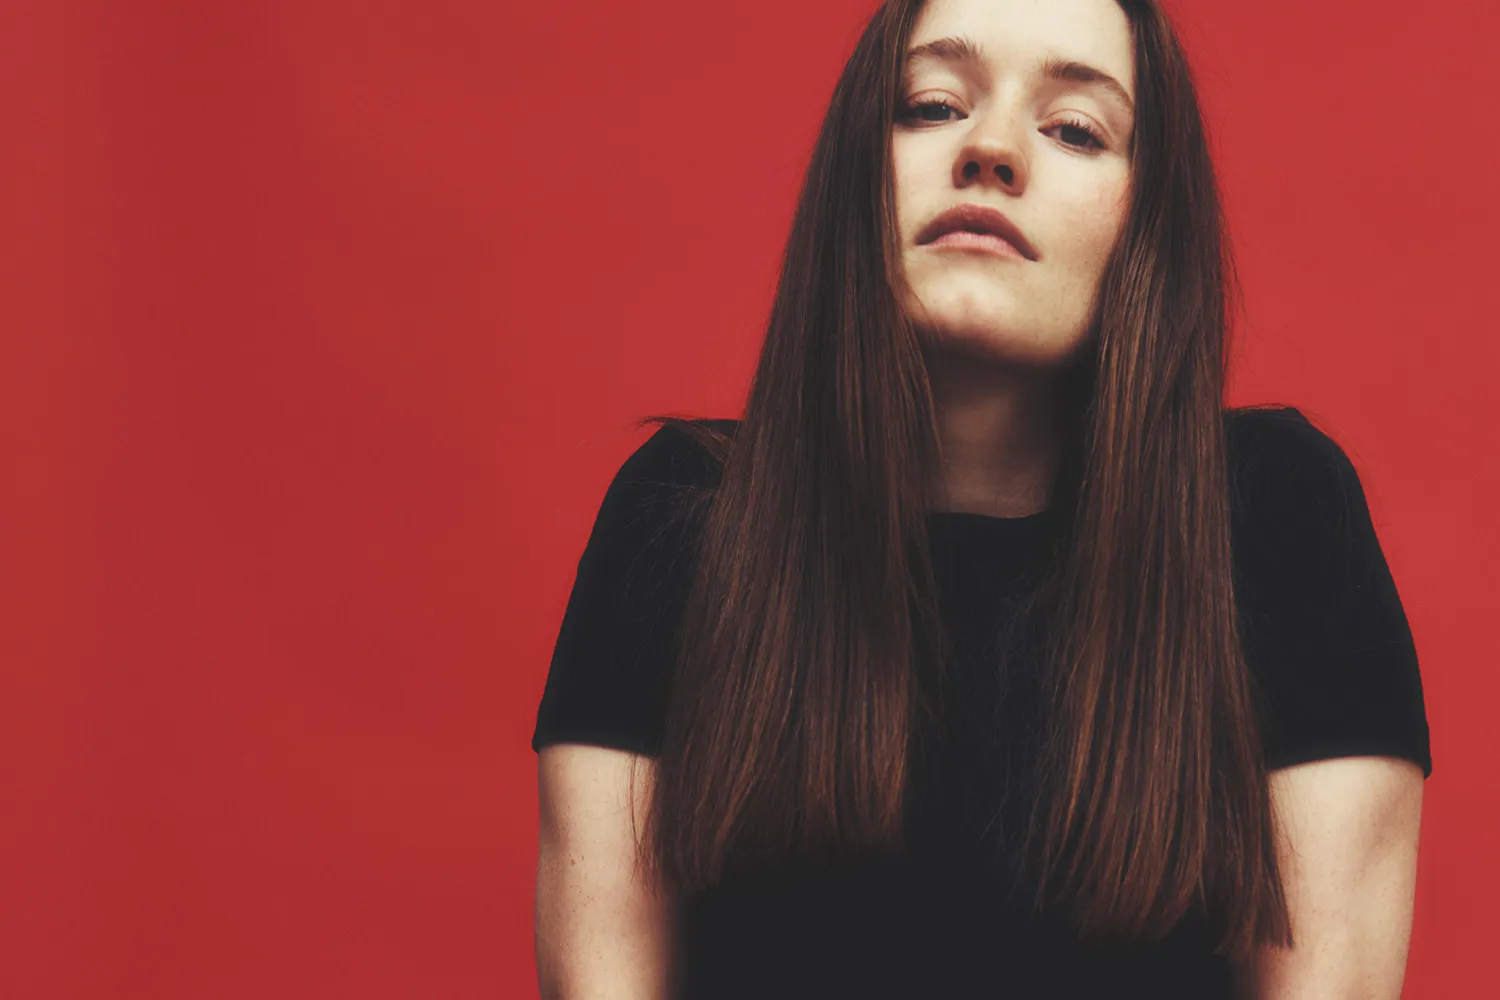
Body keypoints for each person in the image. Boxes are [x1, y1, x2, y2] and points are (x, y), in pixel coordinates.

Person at [531, 0, 1432, 997]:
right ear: (855, 174)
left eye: (1075, 128)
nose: (991, 149)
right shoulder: (681, 517)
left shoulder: (1277, 520)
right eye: (932, 106)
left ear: (1148, 222)